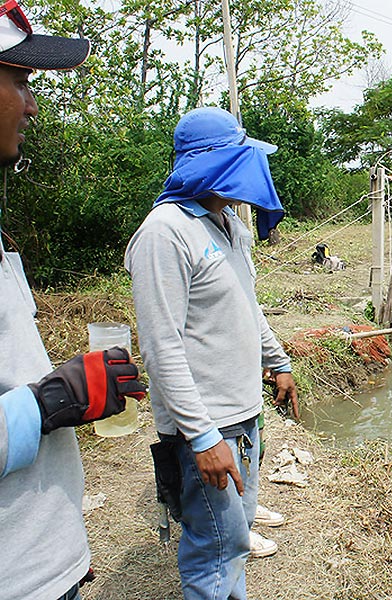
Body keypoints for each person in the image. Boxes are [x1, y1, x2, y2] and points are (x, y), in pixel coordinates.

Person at [0, 5, 147, 600]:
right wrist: (48, 403)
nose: (32, 105)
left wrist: (61, 546)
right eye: (19, 81)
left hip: (39, 564)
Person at [125, 107, 299, 600]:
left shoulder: (226, 225)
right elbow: (161, 349)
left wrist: (278, 360)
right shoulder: (165, 233)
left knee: (233, 544)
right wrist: (201, 437)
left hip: (242, 413)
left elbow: (247, 305)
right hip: (207, 423)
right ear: (214, 163)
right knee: (214, 553)